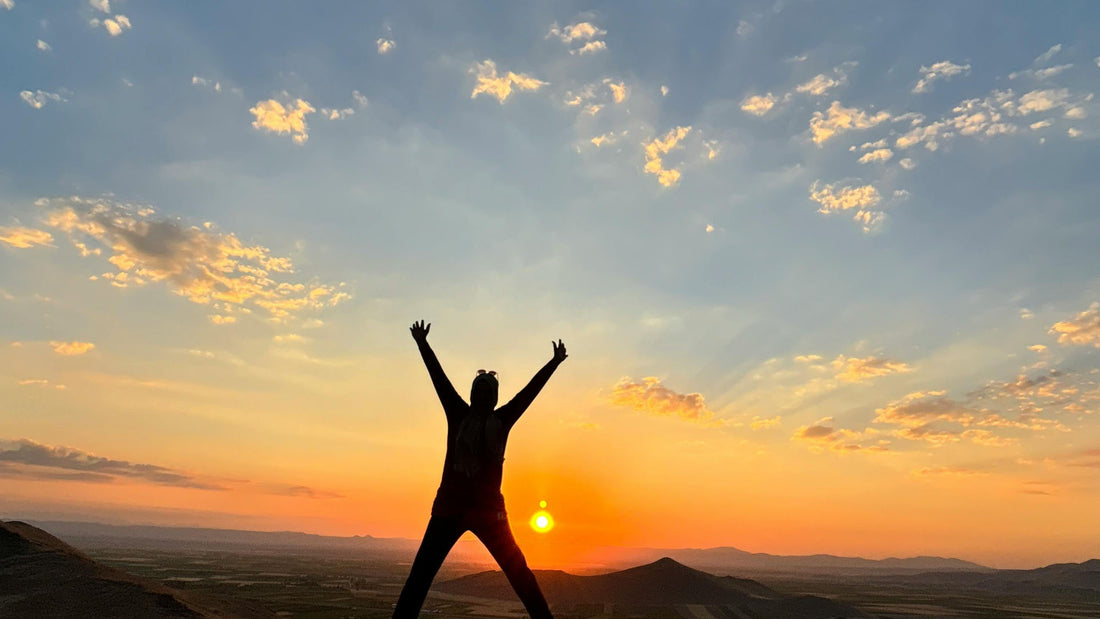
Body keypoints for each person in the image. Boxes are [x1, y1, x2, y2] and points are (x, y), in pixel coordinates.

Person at [392, 320, 566, 619]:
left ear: (494, 397)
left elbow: (529, 392)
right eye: (479, 390)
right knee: (419, 578)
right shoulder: (457, 413)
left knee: (519, 574)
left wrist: (554, 363)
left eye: (488, 392)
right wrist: (422, 343)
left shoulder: (503, 420)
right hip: (449, 508)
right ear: (472, 393)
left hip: (489, 512)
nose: (483, 396)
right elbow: (439, 378)